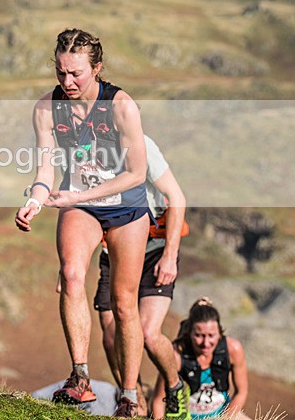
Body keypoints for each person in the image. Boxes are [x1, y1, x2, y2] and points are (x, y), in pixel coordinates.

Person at [15, 28, 151, 417]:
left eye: (76, 73)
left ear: (98, 68)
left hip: (125, 209)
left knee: (124, 304)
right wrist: (35, 201)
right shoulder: (46, 108)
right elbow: (45, 169)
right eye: (60, 73)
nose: (67, 82)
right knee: (72, 275)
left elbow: (137, 173)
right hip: (80, 206)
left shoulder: (122, 105)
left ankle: (128, 397)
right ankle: (80, 379)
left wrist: (77, 195)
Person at [95, 134, 191, 418]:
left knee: (149, 334)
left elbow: (176, 198)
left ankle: (175, 387)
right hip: (113, 248)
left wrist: (170, 256)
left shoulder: (142, 145)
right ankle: (133, 402)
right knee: (111, 336)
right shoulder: (81, 145)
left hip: (154, 247)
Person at [151, 298, 251, 420]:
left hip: (223, 414)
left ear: (220, 332)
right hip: (186, 417)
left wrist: (225, 418)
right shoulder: (175, 355)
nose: (206, 343)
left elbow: (241, 392)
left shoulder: (233, 349)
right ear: (189, 332)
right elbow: (158, 400)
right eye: (199, 335)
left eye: (211, 335)